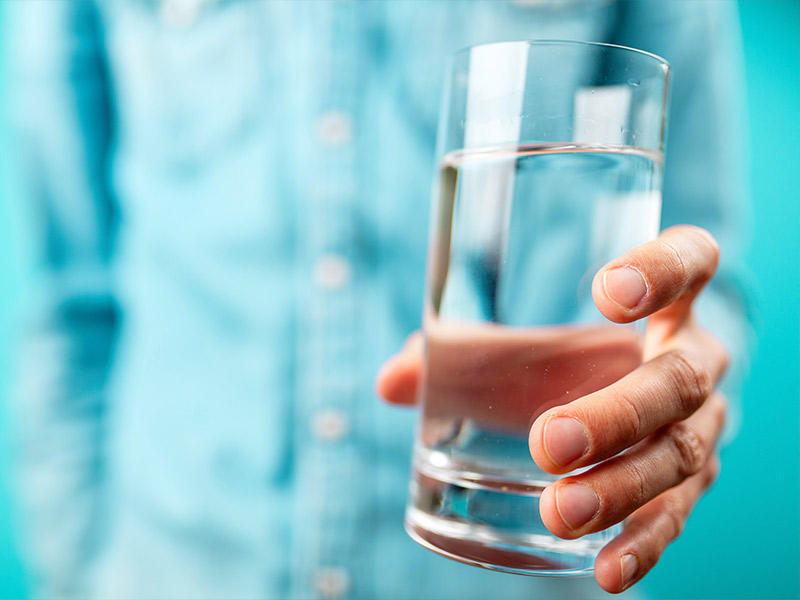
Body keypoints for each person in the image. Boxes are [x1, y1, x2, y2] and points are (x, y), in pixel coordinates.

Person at [5, 0, 751, 598]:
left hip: (520, 566)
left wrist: (681, 376)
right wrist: (74, 577)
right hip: (171, 569)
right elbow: (74, 302)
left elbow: (699, 277)